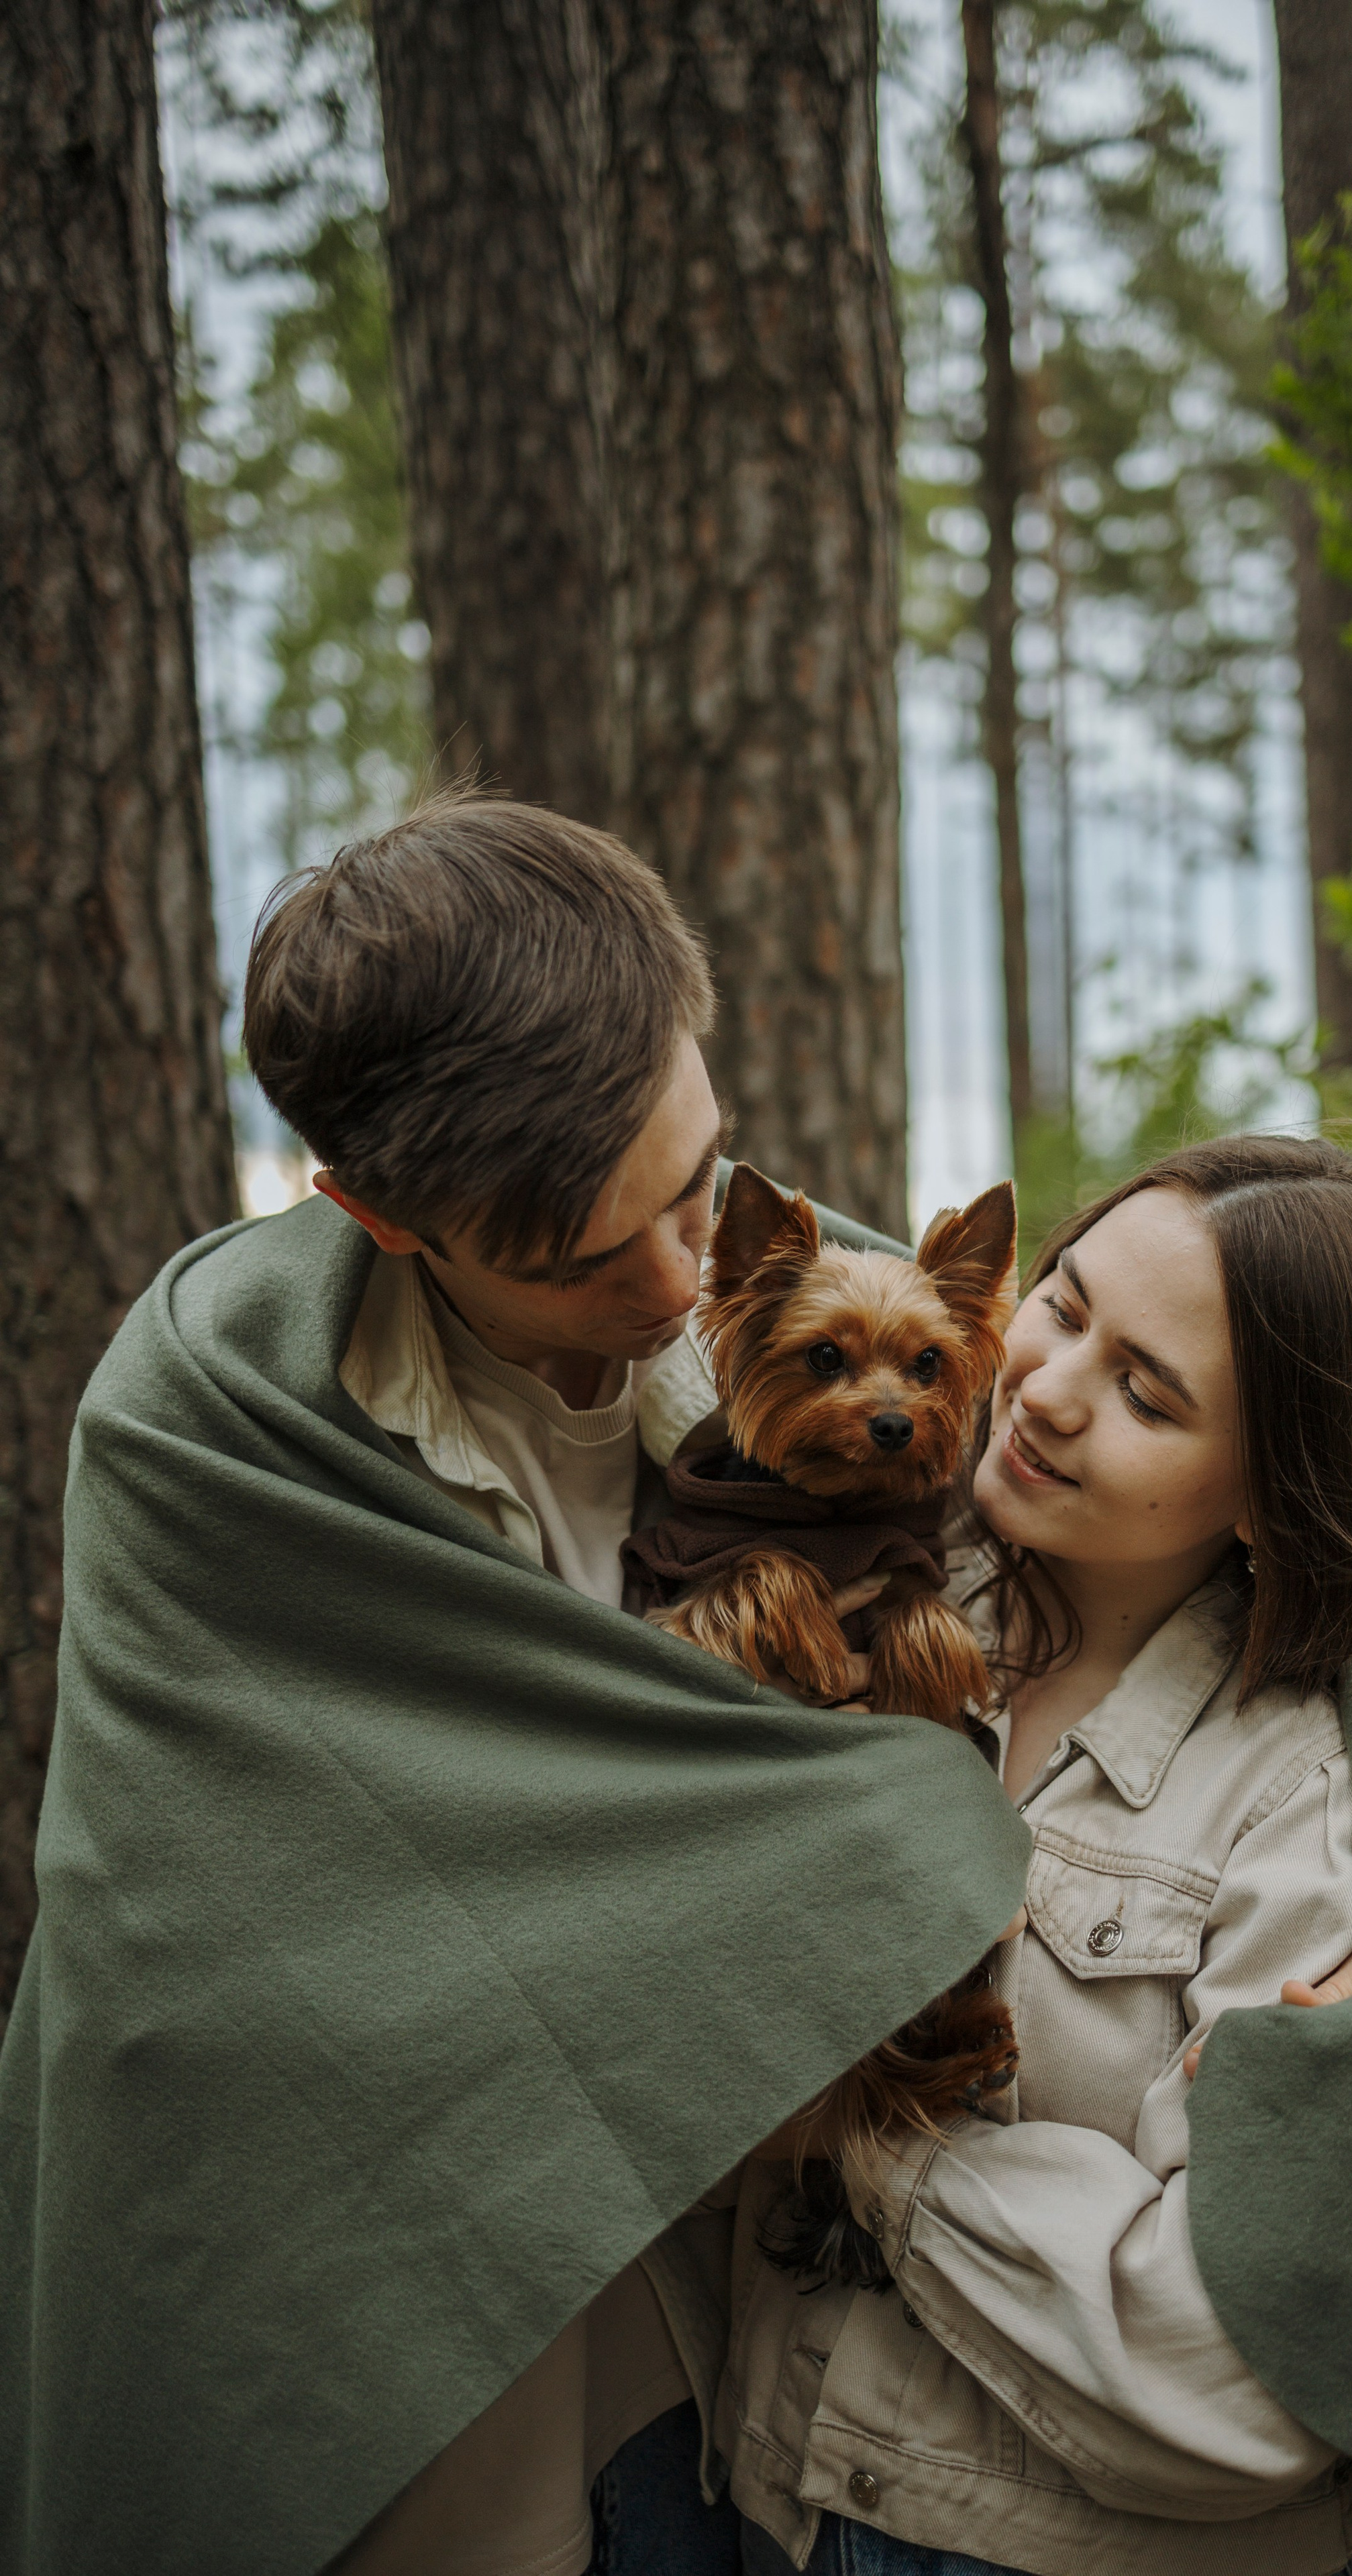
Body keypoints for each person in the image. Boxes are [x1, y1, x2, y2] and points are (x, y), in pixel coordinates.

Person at [0, 794, 1028, 2576]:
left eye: (694, 1184)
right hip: (433, 2321)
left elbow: (1190, 1574)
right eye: (580, 1258)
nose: (677, 1279)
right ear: (372, 1213)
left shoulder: (813, 1304)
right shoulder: (211, 1430)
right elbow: (185, 1955)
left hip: (771, 2302)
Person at [716, 1139, 1352, 2576]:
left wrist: (856, 2135)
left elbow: (1228, 2384)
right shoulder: (863, 1584)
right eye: (1061, 1304)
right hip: (759, 2503)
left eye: (1146, 1394)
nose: (1045, 1390)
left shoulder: (1304, 1820)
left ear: (1267, 1491)